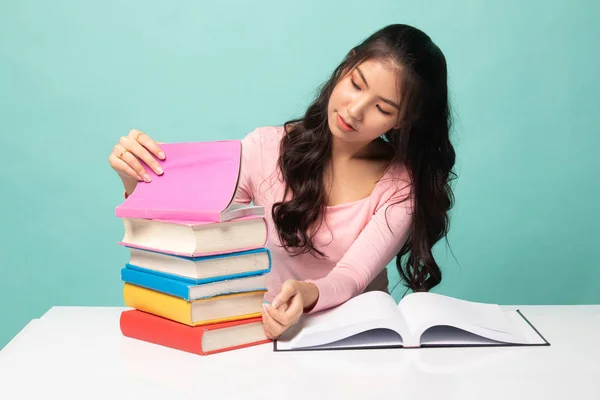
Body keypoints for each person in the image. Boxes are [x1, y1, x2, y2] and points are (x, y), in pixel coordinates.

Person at [108, 23, 456, 340]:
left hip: (357, 340)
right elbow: (194, 227)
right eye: (355, 84)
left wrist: (307, 294)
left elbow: (351, 276)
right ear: (346, 65)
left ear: (404, 119)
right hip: (267, 334)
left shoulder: (399, 188)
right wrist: (136, 183)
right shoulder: (265, 148)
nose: (354, 110)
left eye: (382, 108)